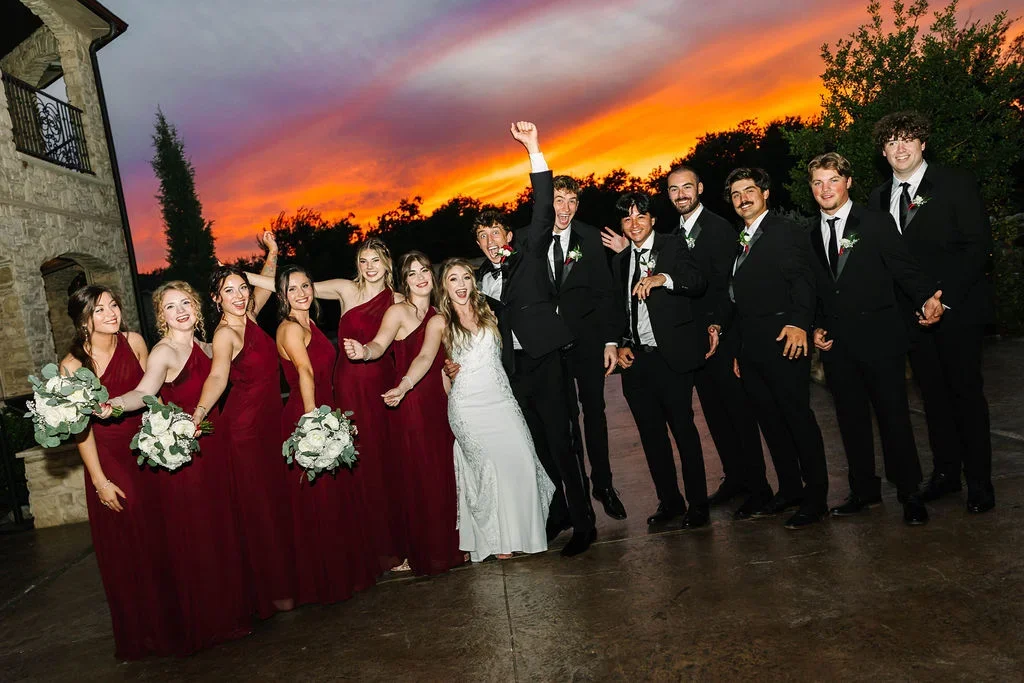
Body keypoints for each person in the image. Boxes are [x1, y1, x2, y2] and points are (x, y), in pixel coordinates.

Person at [603, 165, 772, 519]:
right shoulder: (641, 250)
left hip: (718, 337)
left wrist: (716, 325)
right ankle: (729, 482)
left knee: (733, 415)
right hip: (683, 347)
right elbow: (618, 308)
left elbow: (718, 283)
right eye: (673, 189)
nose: (680, 194)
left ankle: (758, 488)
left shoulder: (709, 231)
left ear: (699, 188)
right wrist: (619, 342)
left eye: (686, 187)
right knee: (712, 418)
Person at [460, 122, 595, 556]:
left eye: (495, 232)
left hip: (546, 360)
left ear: (509, 235)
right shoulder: (479, 280)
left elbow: (541, 203)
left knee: (563, 442)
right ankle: (558, 516)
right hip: (513, 374)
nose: (489, 240)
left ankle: (585, 524)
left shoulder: (530, 251)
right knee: (537, 447)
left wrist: (533, 149)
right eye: (481, 236)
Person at [102, 281, 251, 653]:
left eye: (186, 302)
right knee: (197, 535)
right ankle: (206, 622)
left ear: (198, 308)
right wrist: (114, 404)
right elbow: (144, 391)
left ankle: (231, 613)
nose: (181, 310)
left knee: (221, 529)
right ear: (161, 316)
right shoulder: (163, 351)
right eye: (171, 306)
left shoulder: (207, 346)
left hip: (216, 450)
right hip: (186, 456)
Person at [247, 238, 406, 571]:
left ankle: (386, 543)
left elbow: (419, 327)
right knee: (356, 470)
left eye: (375, 260)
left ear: (387, 263)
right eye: (363, 261)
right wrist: (243, 278)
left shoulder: (398, 301)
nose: (369, 267)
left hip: (377, 388)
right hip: (344, 393)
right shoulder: (345, 290)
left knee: (382, 464)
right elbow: (294, 287)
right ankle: (368, 550)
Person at [867, 111, 996, 514]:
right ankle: (945, 474)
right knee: (932, 397)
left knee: (965, 395)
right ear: (884, 152)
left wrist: (944, 297)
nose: (899, 148)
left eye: (907, 139)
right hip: (911, 319)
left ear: (923, 144)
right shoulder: (876, 198)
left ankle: (979, 482)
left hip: (956, 309)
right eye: (891, 142)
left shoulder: (955, 183)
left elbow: (977, 248)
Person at [806, 152, 941, 526]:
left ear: (848, 182)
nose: (825, 189)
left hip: (881, 341)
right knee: (850, 421)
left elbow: (905, 270)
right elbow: (813, 290)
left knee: (893, 418)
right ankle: (864, 490)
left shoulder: (876, 222)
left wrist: (928, 296)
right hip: (837, 347)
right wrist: (814, 325)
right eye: (817, 182)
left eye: (832, 180)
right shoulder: (808, 233)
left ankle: (909, 493)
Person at [511, 125, 626, 521]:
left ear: (578, 204)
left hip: (589, 341)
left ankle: (604, 484)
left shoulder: (591, 239)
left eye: (571, 201)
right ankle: (567, 495)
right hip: (547, 348)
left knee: (595, 412)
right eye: (558, 199)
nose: (564, 208)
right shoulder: (526, 239)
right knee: (564, 421)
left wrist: (612, 340)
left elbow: (607, 293)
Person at [61, 285, 178, 659]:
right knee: (128, 543)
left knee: (159, 537)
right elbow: (80, 429)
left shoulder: (134, 341)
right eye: (100, 309)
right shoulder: (72, 366)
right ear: (84, 321)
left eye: (114, 305)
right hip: (107, 456)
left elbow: (151, 394)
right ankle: (142, 635)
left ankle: (171, 623)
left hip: (144, 448)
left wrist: (164, 436)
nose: (112, 313)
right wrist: (99, 481)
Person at [415, 259, 554, 562]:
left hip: (502, 401)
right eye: (453, 279)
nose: (461, 284)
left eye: (466, 277)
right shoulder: (439, 322)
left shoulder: (489, 313)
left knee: (523, 463)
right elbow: (426, 357)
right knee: (490, 471)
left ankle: (524, 535)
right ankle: (497, 540)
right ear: (444, 286)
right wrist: (403, 385)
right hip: (468, 407)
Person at [193, 233, 298, 618]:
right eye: (228, 291)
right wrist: (201, 412)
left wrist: (271, 253)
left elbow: (270, 286)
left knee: (277, 502)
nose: (238, 296)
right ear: (215, 299)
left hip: (269, 425)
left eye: (242, 288)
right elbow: (218, 377)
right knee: (262, 511)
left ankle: (287, 580)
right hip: (246, 431)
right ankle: (273, 590)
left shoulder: (250, 316)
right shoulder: (225, 333)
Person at [343, 252, 465, 576]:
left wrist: (454, 389)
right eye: (412, 274)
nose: (420, 277)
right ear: (404, 280)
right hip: (409, 403)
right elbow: (380, 345)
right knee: (421, 479)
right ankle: (428, 552)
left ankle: (451, 547)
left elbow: (439, 363)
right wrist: (363, 351)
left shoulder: (441, 313)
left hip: (439, 404)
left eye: (425, 270)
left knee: (443, 476)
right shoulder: (397, 311)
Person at [727, 167, 829, 529]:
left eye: (749, 190)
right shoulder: (744, 238)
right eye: (737, 194)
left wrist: (801, 322)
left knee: (797, 418)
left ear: (765, 193)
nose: (743, 199)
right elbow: (740, 301)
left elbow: (804, 279)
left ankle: (816, 498)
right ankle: (789, 489)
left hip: (785, 339)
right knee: (770, 421)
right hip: (753, 347)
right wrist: (739, 350)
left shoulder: (784, 231)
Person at [275, 264, 378, 603]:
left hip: (327, 414)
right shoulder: (289, 329)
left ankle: (344, 573)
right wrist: (311, 424)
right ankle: (326, 581)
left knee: (335, 499)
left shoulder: (312, 323)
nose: (302, 293)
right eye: (292, 289)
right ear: (282, 295)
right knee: (318, 502)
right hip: (309, 417)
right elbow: (304, 372)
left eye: (306, 285)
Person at [609, 192, 711, 530]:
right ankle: (670, 501)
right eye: (627, 219)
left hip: (672, 359)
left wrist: (662, 279)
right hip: (637, 364)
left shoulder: (673, 246)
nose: (634, 223)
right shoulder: (621, 261)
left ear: (653, 219)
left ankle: (698, 505)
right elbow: (620, 310)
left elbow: (697, 282)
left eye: (641, 216)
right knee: (651, 437)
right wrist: (622, 343)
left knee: (683, 431)